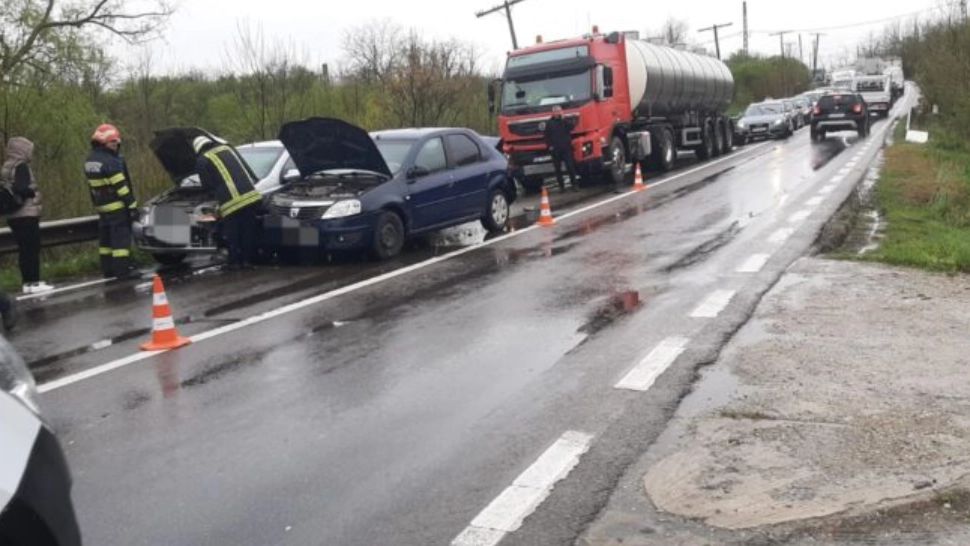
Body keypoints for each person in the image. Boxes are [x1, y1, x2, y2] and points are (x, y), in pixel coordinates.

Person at [192, 135, 262, 270]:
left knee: (233, 233)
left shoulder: (203, 159)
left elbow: (207, 185)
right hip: (252, 196)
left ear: (198, 149)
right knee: (248, 231)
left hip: (232, 202)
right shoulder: (227, 149)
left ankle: (235, 262)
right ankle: (248, 261)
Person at [84, 124, 139, 280]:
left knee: (106, 242)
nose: (116, 145)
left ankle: (108, 270)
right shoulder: (111, 161)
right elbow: (121, 187)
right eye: (112, 142)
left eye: (116, 142)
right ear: (103, 143)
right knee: (120, 241)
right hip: (117, 207)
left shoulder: (90, 160)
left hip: (102, 208)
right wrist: (132, 206)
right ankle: (123, 271)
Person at [1, 137, 52, 294]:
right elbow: (21, 188)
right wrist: (32, 192)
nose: (31, 153)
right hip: (26, 213)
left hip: (13, 215)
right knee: (32, 247)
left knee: (23, 249)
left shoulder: (6, 166)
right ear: (23, 150)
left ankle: (27, 283)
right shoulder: (21, 166)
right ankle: (34, 282)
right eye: (29, 150)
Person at [543, 105, 580, 191]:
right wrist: (549, 146)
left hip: (566, 148)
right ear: (553, 112)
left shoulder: (565, 121)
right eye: (555, 111)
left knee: (570, 166)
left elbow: (572, 127)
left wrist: (564, 119)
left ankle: (574, 184)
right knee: (557, 169)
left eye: (559, 111)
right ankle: (561, 186)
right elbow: (546, 136)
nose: (557, 113)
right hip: (555, 149)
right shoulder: (549, 123)